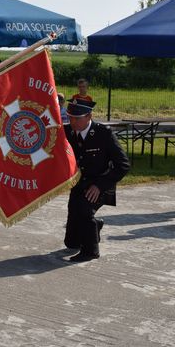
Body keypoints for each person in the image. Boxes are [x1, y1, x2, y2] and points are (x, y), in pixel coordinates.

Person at [63, 99, 130, 262]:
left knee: (84, 210)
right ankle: (95, 226)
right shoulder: (67, 132)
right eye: (70, 117)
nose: (73, 122)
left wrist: (100, 185)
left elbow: (123, 165)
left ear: (89, 116)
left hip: (100, 184)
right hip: (79, 185)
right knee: (71, 242)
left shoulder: (103, 133)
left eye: (77, 118)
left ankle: (91, 252)